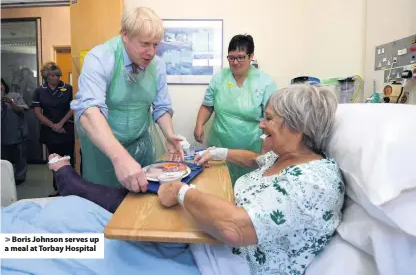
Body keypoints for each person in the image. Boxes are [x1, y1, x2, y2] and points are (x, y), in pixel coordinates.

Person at [48, 84, 344, 275]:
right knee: (122, 221)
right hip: (212, 244)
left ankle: (25, 246)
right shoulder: (286, 158)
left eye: (269, 118)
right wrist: (218, 152)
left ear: (296, 127)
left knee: (108, 251)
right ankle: (70, 196)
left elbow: (235, 228)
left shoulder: (314, 182)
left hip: (228, 263)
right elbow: (253, 159)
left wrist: (180, 191)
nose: (262, 124)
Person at [71, 7, 184, 193]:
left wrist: (168, 134)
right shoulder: (100, 58)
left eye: (156, 45)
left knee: (142, 202)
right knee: (105, 204)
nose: (151, 52)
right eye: (145, 44)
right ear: (125, 35)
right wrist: (119, 158)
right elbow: (89, 111)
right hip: (104, 149)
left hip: (140, 144)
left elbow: (161, 106)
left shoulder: (157, 65)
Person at [194, 34, 277, 185]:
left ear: (251, 56)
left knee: (246, 190)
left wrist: (270, 144)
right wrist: (199, 124)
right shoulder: (219, 78)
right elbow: (207, 105)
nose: (235, 63)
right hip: (219, 144)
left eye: (240, 57)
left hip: (251, 150)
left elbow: (272, 118)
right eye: (231, 58)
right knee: (220, 187)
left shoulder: (265, 82)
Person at [32, 62, 75, 196]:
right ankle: (58, 189)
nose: (56, 78)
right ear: (46, 76)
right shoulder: (39, 91)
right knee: (55, 161)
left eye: (58, 75)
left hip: (66, 128)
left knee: (68, 160)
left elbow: (72, 108)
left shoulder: (68, 88)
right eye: (52, 75)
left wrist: (60, 124)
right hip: (50, 131)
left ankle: (71, 188)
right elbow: (38, 113)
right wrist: (53, 126)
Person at [1, 78, 29, 185]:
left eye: (0, 84)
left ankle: (19, 177)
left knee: (20, 156)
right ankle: (5, 177)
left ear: (4, 85)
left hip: (17, 132)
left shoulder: (14, 96)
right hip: (2, 134)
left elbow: (22, 109)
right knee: (3, 158)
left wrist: (11, 103)